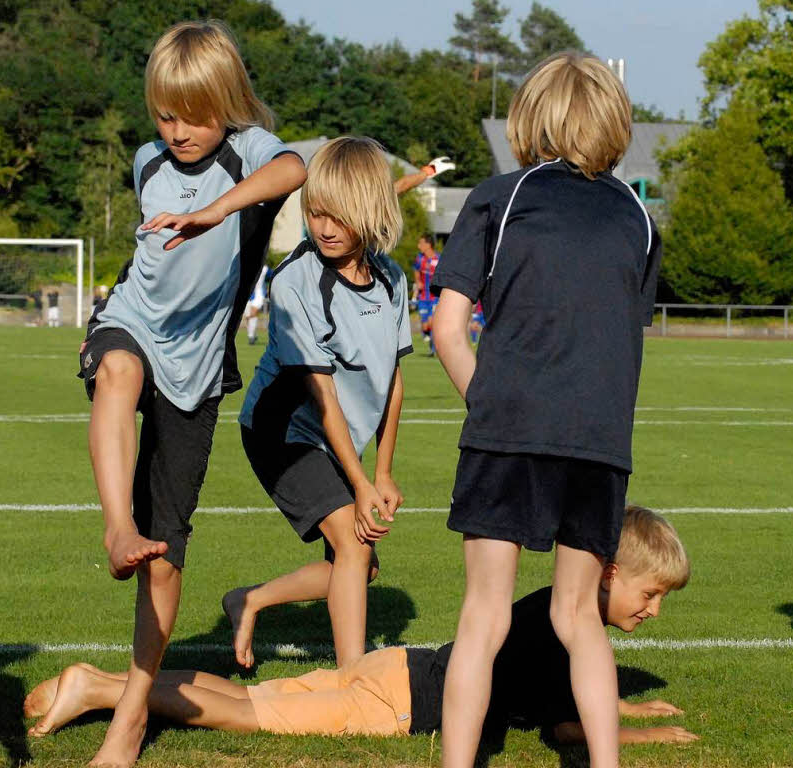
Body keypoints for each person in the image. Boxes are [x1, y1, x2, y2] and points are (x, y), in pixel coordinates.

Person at [76, 20, 306, 766]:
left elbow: (295, 170)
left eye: (194, 115)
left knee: (166, 556)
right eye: (164, 114)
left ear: (228, 101)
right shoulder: (147, 160)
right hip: (131, 319)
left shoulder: (250, 152)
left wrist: (218, 209)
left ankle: (133, 712)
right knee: (116, 369)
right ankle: (116, 527)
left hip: (199, 366)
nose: (175, 132)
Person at [430, 52, 661, 768]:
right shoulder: (639, 216)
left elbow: (445, 328)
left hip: (509, 434)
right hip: (598, 441)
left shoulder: (499, 196)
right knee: (577, 617)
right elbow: (624, 337)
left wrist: (493, 407)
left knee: (483, 615)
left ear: (532, 117)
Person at [25, 506, 696, 749]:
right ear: (606, 572)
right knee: (246, 718)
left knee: (254, 698)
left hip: (398, 668)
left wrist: (622, 702)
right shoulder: (568, 630)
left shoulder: (557, 608)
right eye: (651, 592)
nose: (653, 609)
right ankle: (102, 691)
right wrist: (651, 732)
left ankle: (105, 681)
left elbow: (567, 696)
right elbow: (566, 725)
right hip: (398, 702)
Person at [236, 136, 411, 670]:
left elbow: (392, 378)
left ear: (370, 212)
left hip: (335, 436)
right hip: (283, 430)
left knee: (362, 565)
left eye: (339, 216)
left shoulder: (391, 278)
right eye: (315, 213)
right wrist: (357, 486)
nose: (325, 227)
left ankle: (251, 600)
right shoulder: (295, 283)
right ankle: (353, 682)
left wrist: (382, 474)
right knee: (354, 544)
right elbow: (323, 393)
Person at [413, 234, 440, 354]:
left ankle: (433, 349)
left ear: (428, 245)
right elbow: (416, 270)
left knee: (431, 323)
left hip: (435, 297)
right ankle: (430, 341)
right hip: (423, 297)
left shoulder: (439, 259)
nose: (419, 246)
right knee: (425, 326)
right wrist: (418, 281)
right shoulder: (420, 258)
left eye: (421, 243)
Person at [244, 265, 270, 345]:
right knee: (247, 317)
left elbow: (274, 275)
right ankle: (253, 334)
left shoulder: (265, 269)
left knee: (253, 313)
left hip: (259, 295)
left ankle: (251, 337)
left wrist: (269, 288)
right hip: (248, 296)